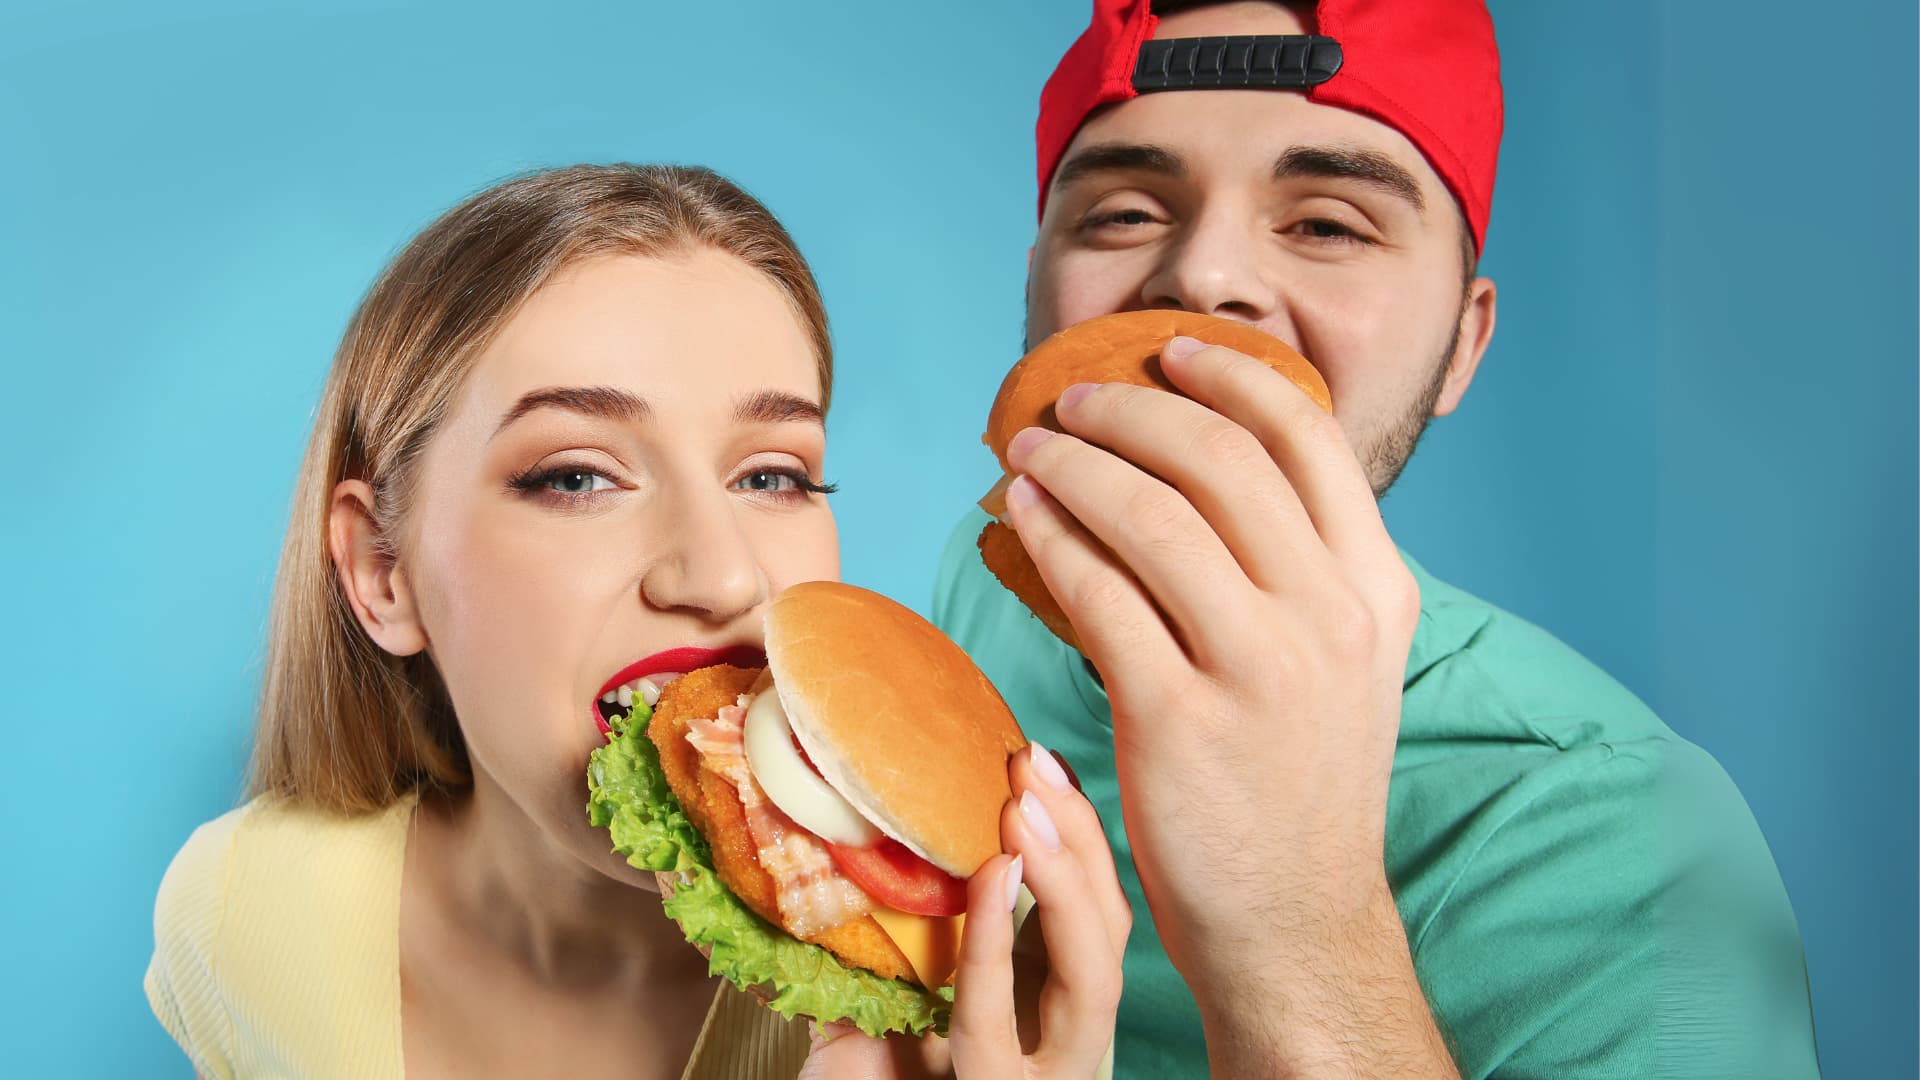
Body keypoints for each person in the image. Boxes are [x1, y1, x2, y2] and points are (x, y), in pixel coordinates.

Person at [932, 1, 1821, 1076]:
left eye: (1327, 224)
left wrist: (1296, 926)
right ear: (1035, 289)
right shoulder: (979, 591)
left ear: (1462, 346)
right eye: (1122, 214)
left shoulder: (1644, 853)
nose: (1206, 277)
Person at [144, 163, 1128, 1080]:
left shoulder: (950, 1011)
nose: (725, 572)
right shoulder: (241, 912)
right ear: (382, 571)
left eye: (772, 474)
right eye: (577, 475)